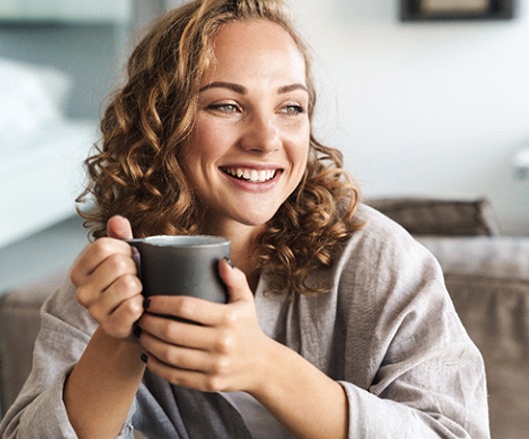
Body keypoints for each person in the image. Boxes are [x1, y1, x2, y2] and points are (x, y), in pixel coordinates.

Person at [0, 0, 490, 438]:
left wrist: (266, 368)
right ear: (162, 122)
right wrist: (118, 338)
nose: (266, 139)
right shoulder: (106, 283)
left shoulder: (377, 259)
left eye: (290, 107)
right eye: (227, 105)